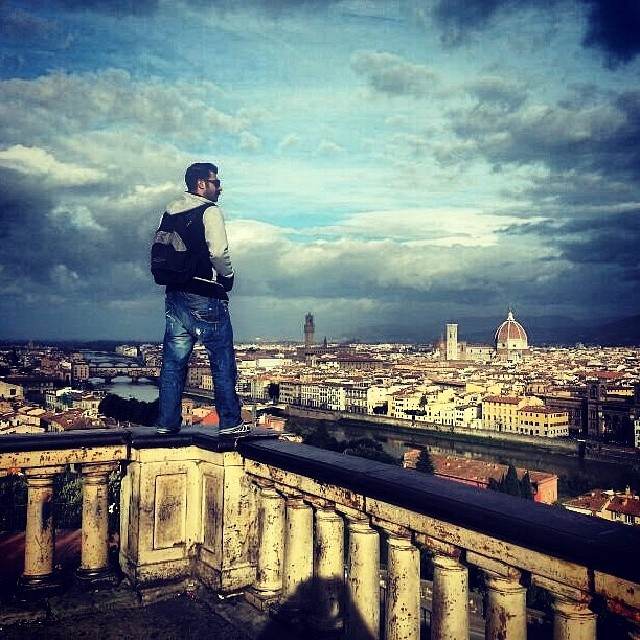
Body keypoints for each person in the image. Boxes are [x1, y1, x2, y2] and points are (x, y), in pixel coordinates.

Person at [154, 162, 248, 436]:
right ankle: (230, 422)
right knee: (221, 358)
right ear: (201, 185)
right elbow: (218, 252)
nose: (221, 187)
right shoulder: (210, 211)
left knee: (173, 362)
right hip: (204, 293)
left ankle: (166, 423)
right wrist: (227, 277)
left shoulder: (169, 211)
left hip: (174, 294)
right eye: (216, 182)